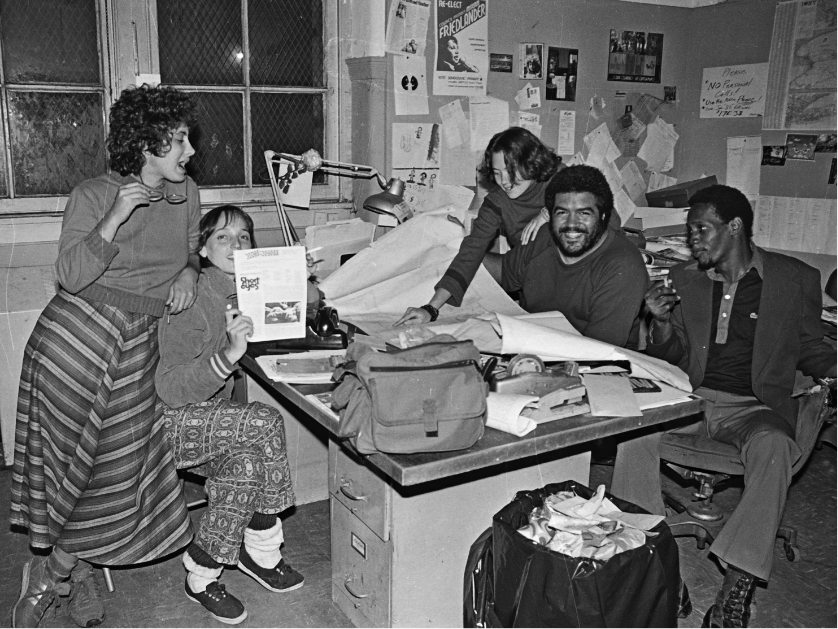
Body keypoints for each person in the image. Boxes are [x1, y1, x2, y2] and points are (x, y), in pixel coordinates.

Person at [11, 84, 200, 629]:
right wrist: (115, 216)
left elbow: (191, 248)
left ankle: (52, 574)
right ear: (146, 143)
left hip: (138, 343)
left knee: (111, 470)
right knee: (71, 470)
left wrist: (190, 271)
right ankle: (79, 576)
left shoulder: (186, 193)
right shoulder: (93, 194)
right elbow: (70, 275)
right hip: (75, 342)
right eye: (179, 140)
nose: (190, 151)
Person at [610, 185, 838, 629]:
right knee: (633, 432)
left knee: (774, 447)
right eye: (690, 230)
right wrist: (659, 323)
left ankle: (738, 581)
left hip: (752, 407)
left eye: (701, 229)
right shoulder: (684, 278)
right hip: (690, 400)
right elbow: (673, 359)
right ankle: (653, 567)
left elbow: (811, 346)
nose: (692, 239)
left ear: (735, 227)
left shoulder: (795, 279)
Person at [156, 205, 321, 625]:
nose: (236, 245)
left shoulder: (242, 291)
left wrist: (298, 279)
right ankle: (262, 546)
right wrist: (229, 355)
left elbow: (308, 307)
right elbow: (170, 390)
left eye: (244, 237)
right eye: (223, 237)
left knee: (246, 465)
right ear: (203, 250)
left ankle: (201, 574)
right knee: (264, 421)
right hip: (166, 426)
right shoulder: (192, 298)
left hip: (214, 423)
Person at [396, 127, 562, 326]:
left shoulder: (559, 178)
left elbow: (590, 197)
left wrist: (547, 213)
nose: (504, 181)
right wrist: (430, 308)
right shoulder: (497, 202)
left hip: (559, 270)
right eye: (497, 173)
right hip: (520, 268)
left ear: (531, 163)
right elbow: (471, 252)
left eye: (511, 171)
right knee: (460, 249)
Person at [501, 165, 648, 349]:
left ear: (603, 216)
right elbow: (501, 273)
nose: (571, 224)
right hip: (533, 351)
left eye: (584, 213)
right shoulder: (543, 238)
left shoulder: (623, 265)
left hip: (595, 363)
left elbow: (597, 351)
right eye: (562, 212)